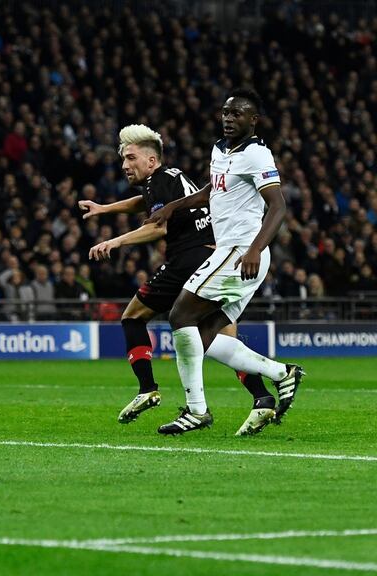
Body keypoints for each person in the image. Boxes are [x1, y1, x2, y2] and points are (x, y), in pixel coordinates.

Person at [81, 124, 272, 429]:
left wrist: (114, 241)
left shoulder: (159, 181)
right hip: (214, 255)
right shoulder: (168, 179)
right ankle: (263, 398)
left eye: (131, 158)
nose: (124, 166)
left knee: (133, 317)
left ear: (151, 161)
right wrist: (104, 209)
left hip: (188, 258)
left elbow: (158, 227)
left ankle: (149, 389)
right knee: (220, 333)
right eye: (123, 160)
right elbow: (142, 203)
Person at [147, 89, 304, 435]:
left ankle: (196, 411)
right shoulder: (220, 149)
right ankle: (282, 374)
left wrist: (253, 249)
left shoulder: (257, 154)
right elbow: (213, 191)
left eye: (237, 114)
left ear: (254, 120)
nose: (229, 119)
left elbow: (278, 207)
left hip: (241, 252)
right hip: (231, 252)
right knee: (203, 336)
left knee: (178, 315)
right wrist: (175, 206)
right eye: (226, 113)